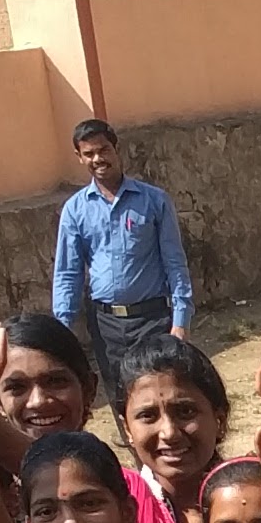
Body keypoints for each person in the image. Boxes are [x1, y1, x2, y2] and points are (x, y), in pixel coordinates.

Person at [50, 120, 193, 363]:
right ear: (79, 157)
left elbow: (175, 263)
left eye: (103, 150)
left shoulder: (154, 201)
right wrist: (62, 328)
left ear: (116, 149)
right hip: (106, 327)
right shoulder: (75, 210)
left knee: (154, 392)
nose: (97, 159)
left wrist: (181, 321)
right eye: (89, 154)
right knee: (118, 396)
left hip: (152, 320)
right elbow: (67, 272)